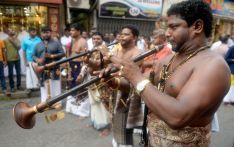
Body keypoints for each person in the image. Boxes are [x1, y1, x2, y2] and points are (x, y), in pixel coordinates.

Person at [100, 1, 230, 146]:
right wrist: (115, 82)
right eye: (167, 28)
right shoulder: (166, 60)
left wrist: (135, 76)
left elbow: (177, 117)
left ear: (197, 27)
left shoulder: (213, 66)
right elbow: (143, 90)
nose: (167, 34)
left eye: (173, 27)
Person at [98, 25, 144, 146]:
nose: (122, 36)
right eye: (121, 34)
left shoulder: (139, 53)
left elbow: (126, 69)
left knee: (124, 122)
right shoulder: (117, 50)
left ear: (134, 37)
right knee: (115, 119)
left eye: (126, 34)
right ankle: (117, 143)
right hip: (113, 89)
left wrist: (108, 55)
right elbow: (107, 65)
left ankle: (124, 144)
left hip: (126, 92)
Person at [33, 26, 65, 103]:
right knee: (44, 86)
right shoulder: (38, 45)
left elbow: (62, 54)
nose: (45, 34)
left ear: (50, 33)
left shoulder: (56, 43)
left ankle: (57, 102)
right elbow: (33, 56)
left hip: (54, 68)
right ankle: (45, 103)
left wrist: (52, 56)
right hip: (43, 69)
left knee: (55, 85)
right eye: (43, 33)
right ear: (41, 34)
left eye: (47, 32)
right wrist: (38, 59)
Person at [21, 27, 42, 95]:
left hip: (37, 59)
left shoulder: (38, 39)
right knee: (30, 74)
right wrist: (25, 61)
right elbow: (24, 51)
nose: (34, 33)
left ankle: (37, 86)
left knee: (37, 73)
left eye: (35, 31)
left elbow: (41, 49)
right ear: (29, 32)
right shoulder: (25, 40)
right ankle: (30, 88)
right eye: (33, 31)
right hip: (29, 59)